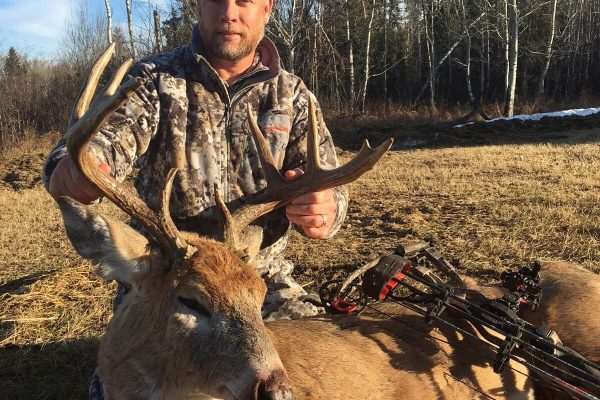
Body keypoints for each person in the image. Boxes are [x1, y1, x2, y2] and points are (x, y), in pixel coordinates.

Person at [43, 0, 348, 322]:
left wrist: (325, 210)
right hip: (169, 274)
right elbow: (98, 144)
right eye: (217, 0)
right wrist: (74, 168)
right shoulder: (155, 80)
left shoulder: (292, 94)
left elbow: (333, 189)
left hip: (258, 276)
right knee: (142, 369)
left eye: (244, 1)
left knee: (314, 359)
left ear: (267, 9)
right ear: (199, 6)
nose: (229, 13)